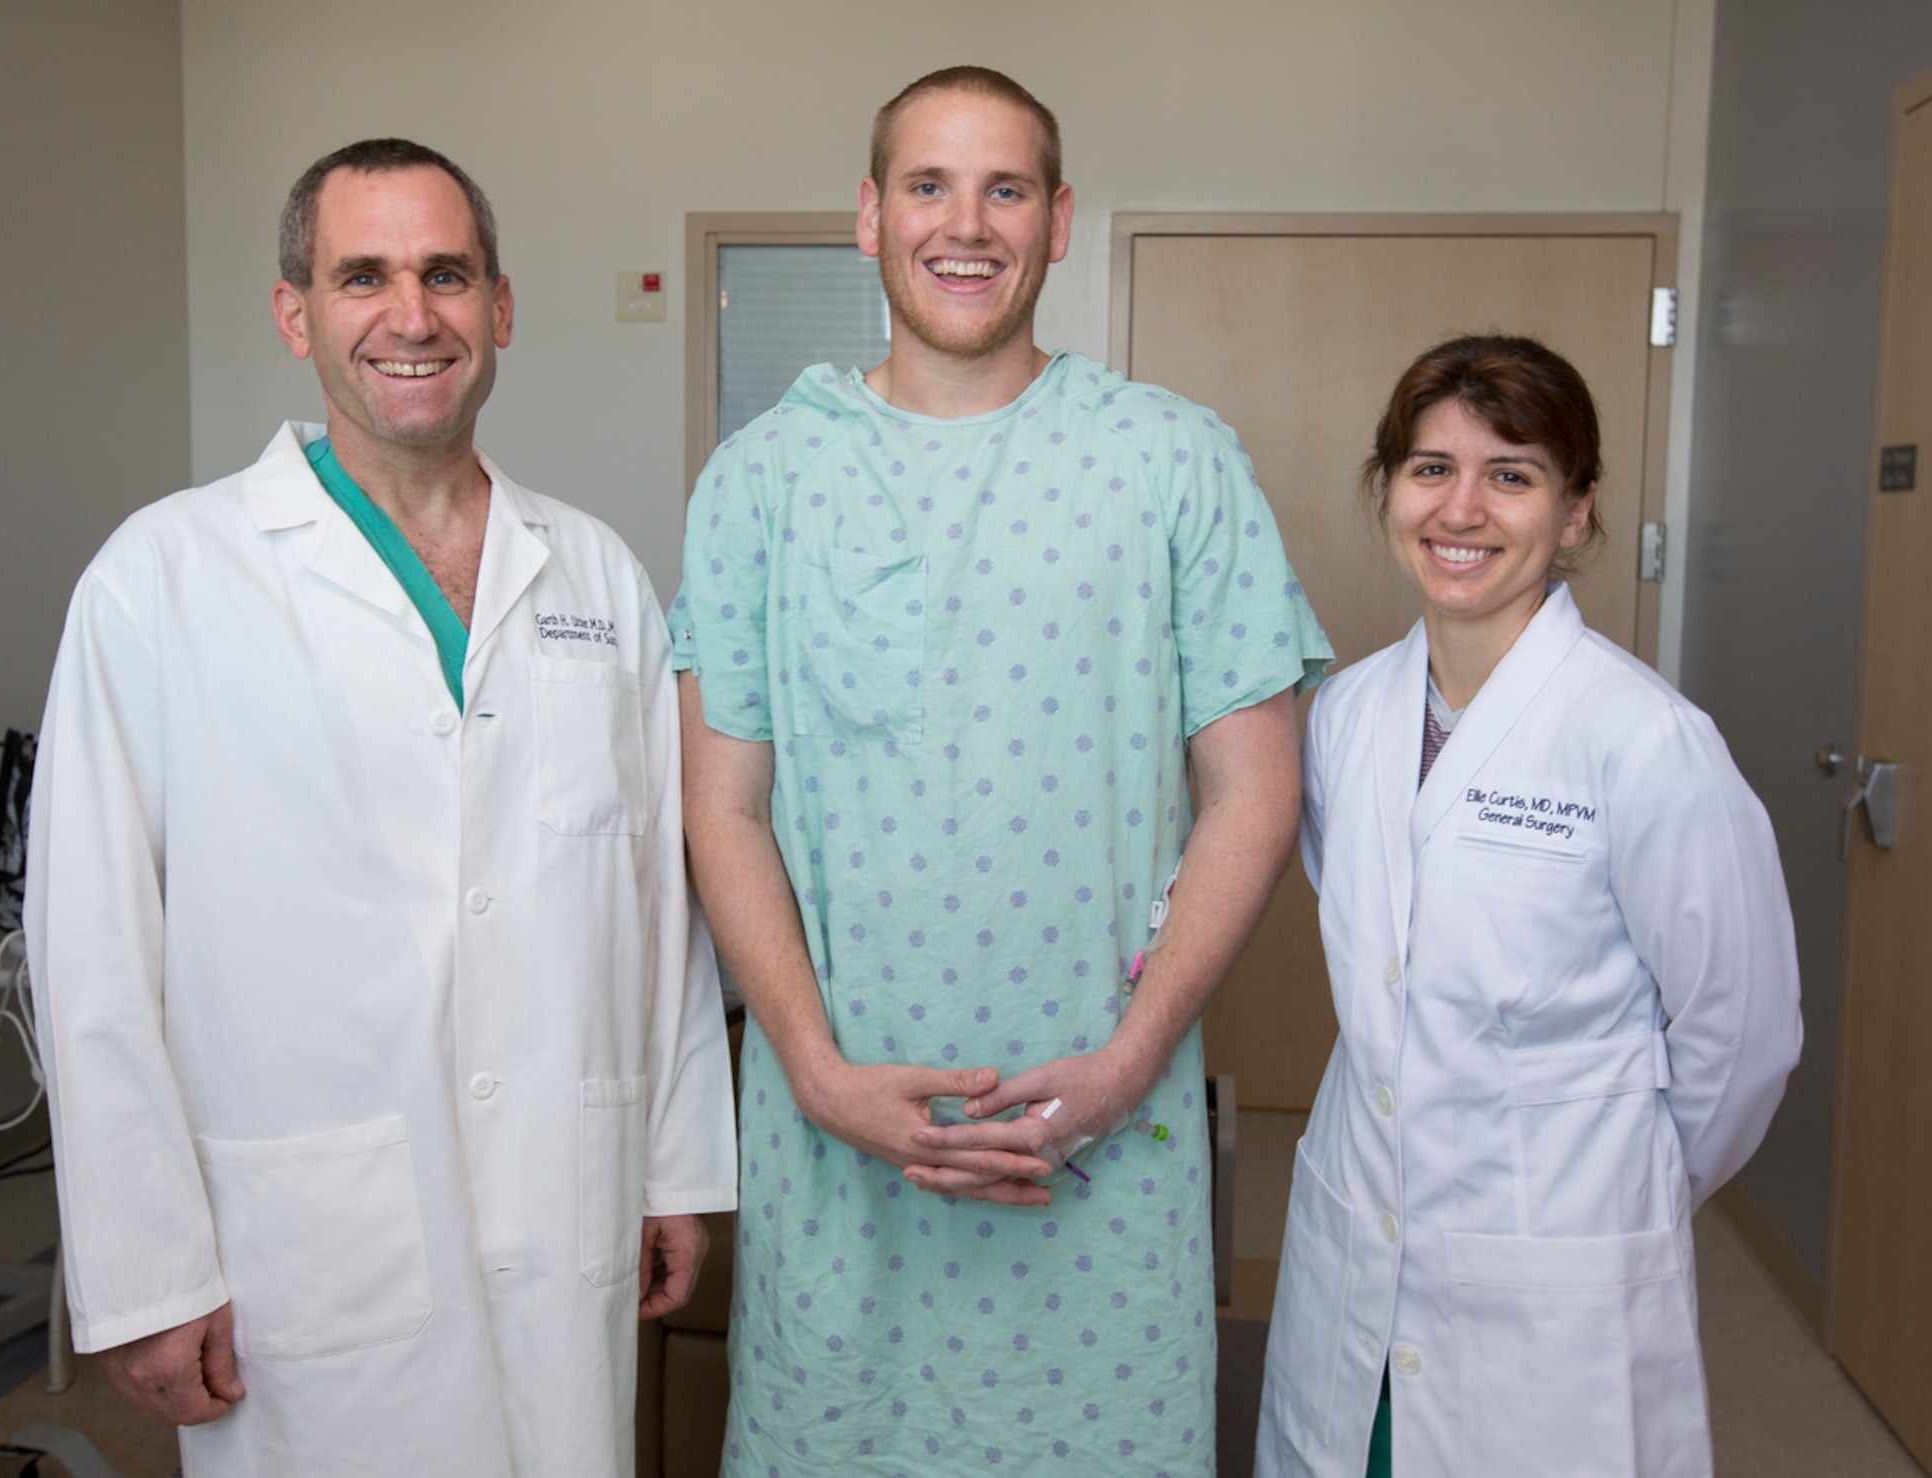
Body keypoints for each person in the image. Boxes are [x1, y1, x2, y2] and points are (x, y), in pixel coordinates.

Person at [24, 138, 735, 1476]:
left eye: (446, 274)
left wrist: (674, 1166)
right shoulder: (164, 580)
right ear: (296, 313)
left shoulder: (595, 574)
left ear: (501, 309)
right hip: (305, 1246)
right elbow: (93, 956)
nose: (412, 315)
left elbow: (657, 903)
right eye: (364, 276)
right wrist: (143, 1267)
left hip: (560, 1198)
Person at [673, 67, 1331, 1474]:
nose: (964, 224)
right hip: (840, 1142)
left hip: (1098, 1135)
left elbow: (1256, 791)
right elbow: (720, 807)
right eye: (927, 184)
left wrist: (1129, 1060)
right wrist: (813, 1069)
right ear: (867, 215)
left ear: (1061, 220)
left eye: (1005, 188)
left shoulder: (1172, 461)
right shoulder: (762, 480)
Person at [1253, 335, 1802, 1477]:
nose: (1461, 508)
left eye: (1510, 473)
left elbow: (1738, 1043)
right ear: (1387, 489)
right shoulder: (1345, 715)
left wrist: (1610, 1184)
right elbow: (1381, 956)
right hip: (1356, 1228)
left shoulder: (1643, 738)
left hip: (1556, 1271)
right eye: (1428, 467)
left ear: (1574, 512)